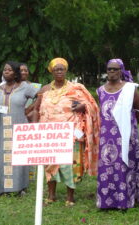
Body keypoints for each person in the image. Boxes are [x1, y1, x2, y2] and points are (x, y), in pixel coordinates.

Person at [33, 57, 100, 206]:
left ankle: (70, 197)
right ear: (51, 71)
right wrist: (34, 127)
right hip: (49, 133)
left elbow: (91, 105)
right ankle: (51, 195)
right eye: (56, 69)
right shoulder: (45, 89)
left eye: (62, 69)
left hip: (71, 133)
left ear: (66, 71)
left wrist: (83, 107)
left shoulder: (76, 88)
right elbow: (36, 109)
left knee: (70, 164)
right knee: (50, 163)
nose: (59, 71)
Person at [96, 58, 139, 209]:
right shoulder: (100, 90)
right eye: (109, 69)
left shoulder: (130, 88)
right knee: (107, 165)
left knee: (125, 165)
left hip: (126, 133)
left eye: (115, 69)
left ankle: (125, 200)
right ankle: (107, 200)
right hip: (106, 136)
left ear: (121, 71)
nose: (111, 72)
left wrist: (130, 129)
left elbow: (138, 110)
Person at [0, 61, 38, 195]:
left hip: (19, 126)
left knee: (19, 157)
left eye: (9, 70)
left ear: (16, 73)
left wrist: (29, 109)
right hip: (0, 128)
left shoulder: (25, 87)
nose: (6, 72)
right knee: (1, 157)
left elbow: (39, 97)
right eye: (5, 70)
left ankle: (19, 188)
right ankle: (0, 189)